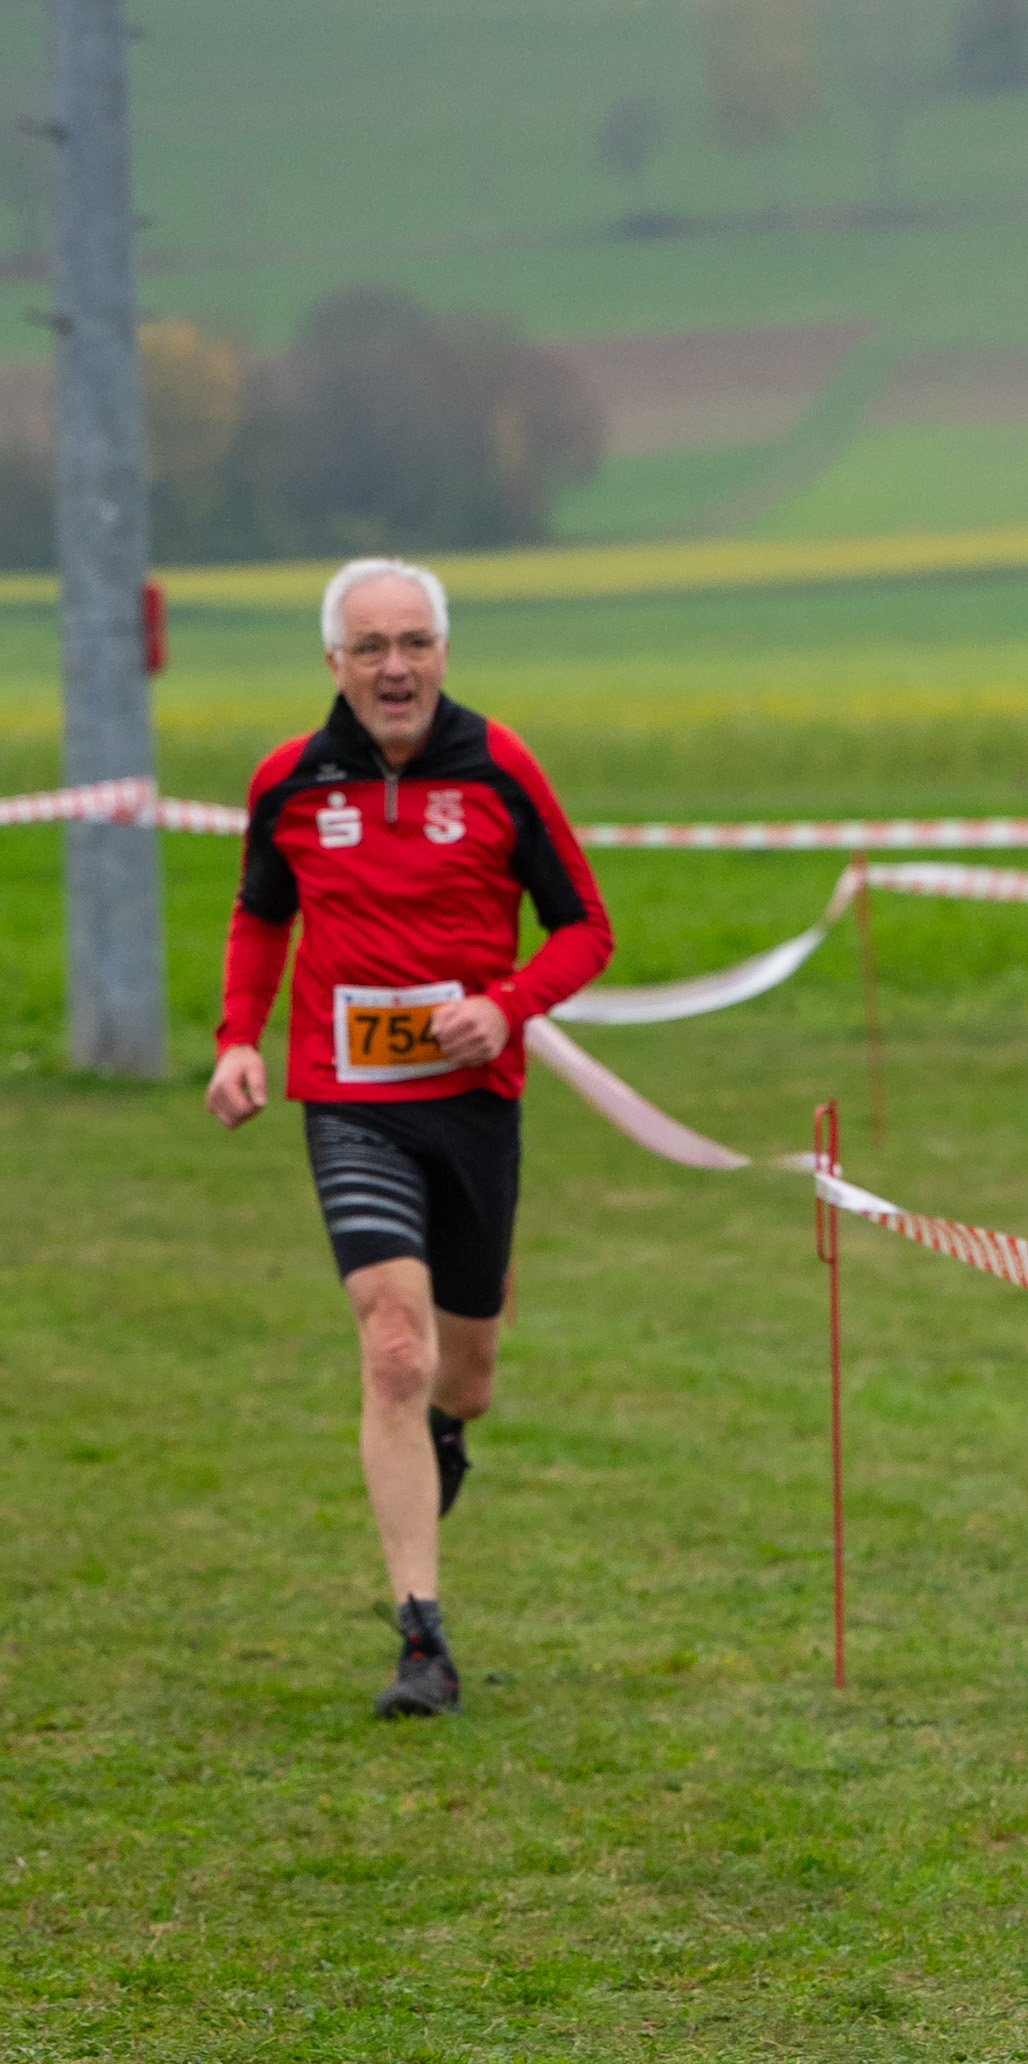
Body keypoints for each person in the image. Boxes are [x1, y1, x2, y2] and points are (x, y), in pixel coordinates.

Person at [205, 558, 613, 1719]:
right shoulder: (290, 781)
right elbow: (261, 914)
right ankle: (422, 1639)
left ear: (443, 653)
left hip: (473, 1105)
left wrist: (508, 1006)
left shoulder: (500, 766)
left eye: (416, 643)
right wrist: (238, 1039)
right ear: (333, 662)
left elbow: (586, 928)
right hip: (350, 1102)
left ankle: (439, 1439)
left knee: (462, 1378)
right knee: (394, 1346)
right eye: (372, 646)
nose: (396, 668)